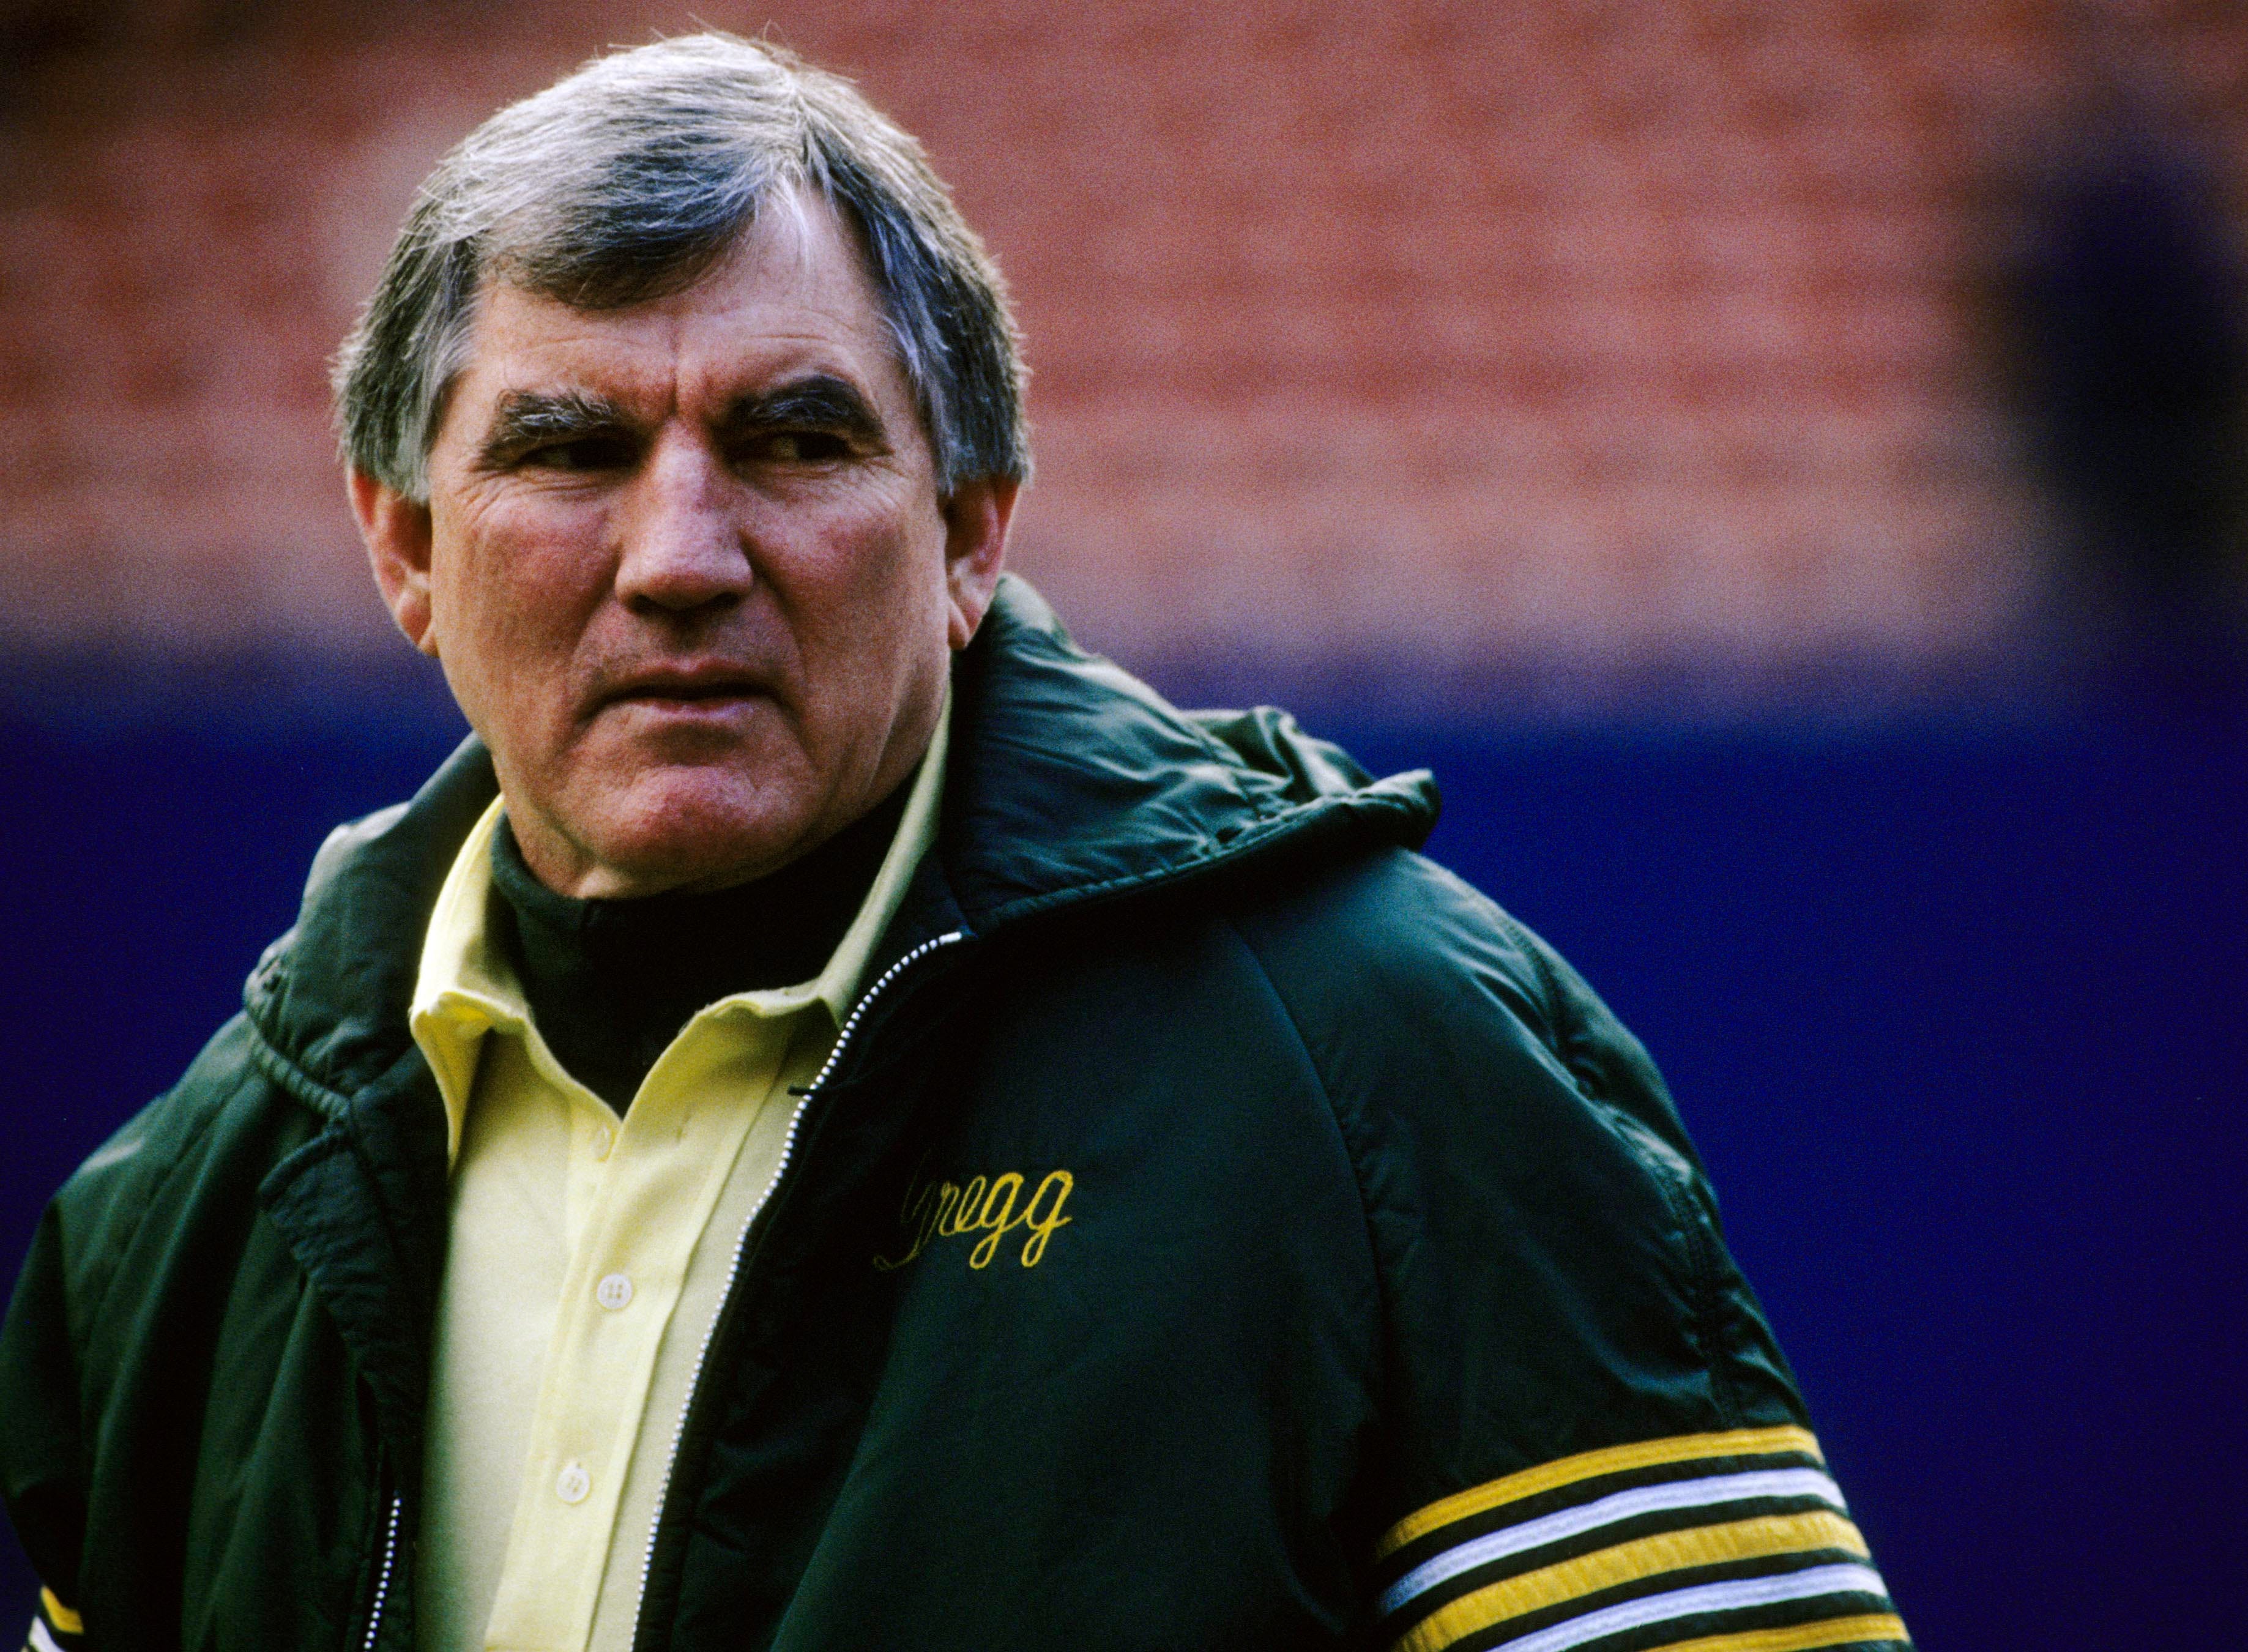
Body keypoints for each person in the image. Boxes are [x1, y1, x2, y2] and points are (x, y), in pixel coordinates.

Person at [0, 34, 1910, 1652]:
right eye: (570, 450)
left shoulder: (1392, 1073)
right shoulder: (174, 1221)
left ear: (973, 534)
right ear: (403, 544)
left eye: (795, 442)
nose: (679, 557)